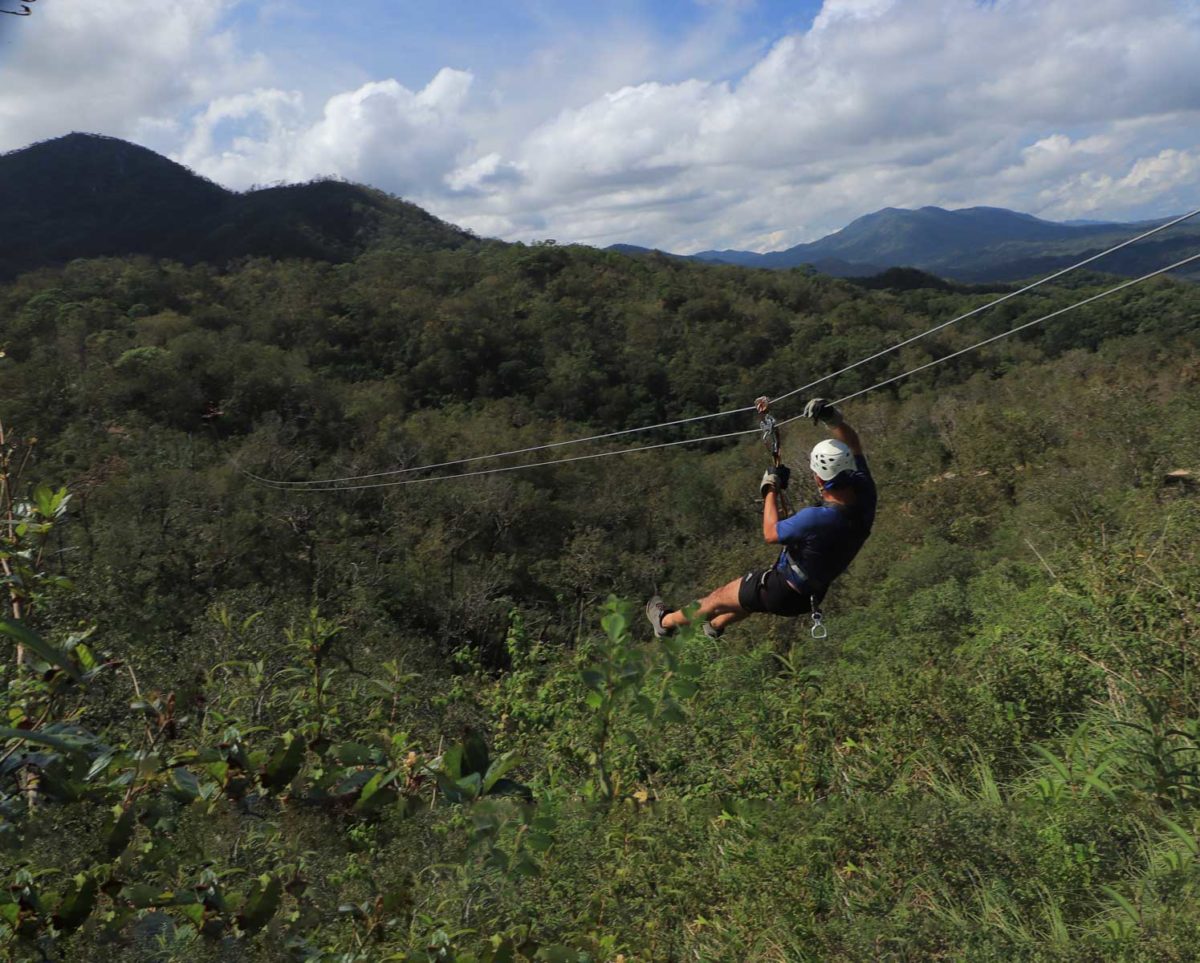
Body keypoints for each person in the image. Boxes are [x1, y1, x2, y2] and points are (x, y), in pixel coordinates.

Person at [646, 398, 876, 638]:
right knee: (748, 598)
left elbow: (770, 532)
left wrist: (770, 489)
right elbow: (854, 444)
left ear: (818, 479)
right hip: (810, 593)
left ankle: (665, 622)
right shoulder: (865, 494)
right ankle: (714, 627)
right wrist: (832, 418)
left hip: (782, 588)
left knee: (716, 599)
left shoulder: (817, 519)